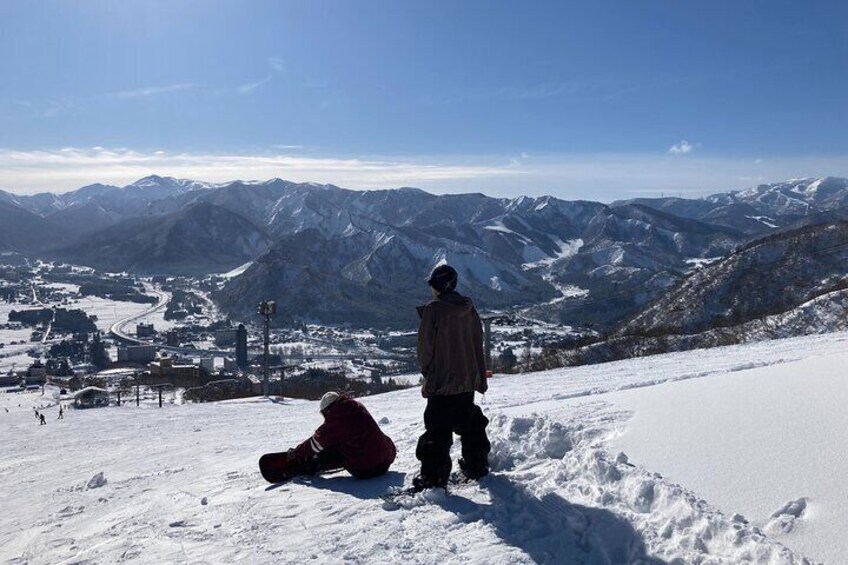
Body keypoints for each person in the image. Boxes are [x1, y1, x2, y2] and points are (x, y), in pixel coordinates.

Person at [414, 264, 491, 491]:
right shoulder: (468, 308)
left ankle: (434, 477)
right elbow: (478, 342)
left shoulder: (433, 311)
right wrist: (478, 376)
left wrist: (429, 373)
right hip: (467, 380)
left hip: (442, 383)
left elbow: (425, 350)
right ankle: (477, 465)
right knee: (470, 424)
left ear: (437, 286)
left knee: (437, 431)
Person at [290, 392, 396, 479]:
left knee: (331, 447)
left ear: (327, 410)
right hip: (386, 460)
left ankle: (311, 465)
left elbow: (315, 443)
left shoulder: (337, 418)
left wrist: (296, 454)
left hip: (366, 469)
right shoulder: (356, 406)